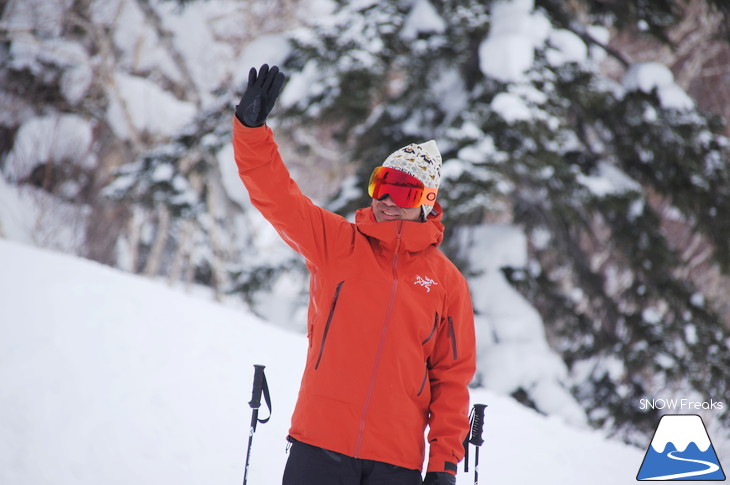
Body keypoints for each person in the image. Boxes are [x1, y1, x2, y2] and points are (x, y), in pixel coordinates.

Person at [232, 64, 476, 485]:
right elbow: (276, 196)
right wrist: (251, 131)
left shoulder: (446, 281)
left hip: (395, 461)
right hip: (319, 445)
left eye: (403, 191)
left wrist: (444, 465)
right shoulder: (337, 244)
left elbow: (451, 381)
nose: (386, 199)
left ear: (427, 201)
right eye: (381, 184)